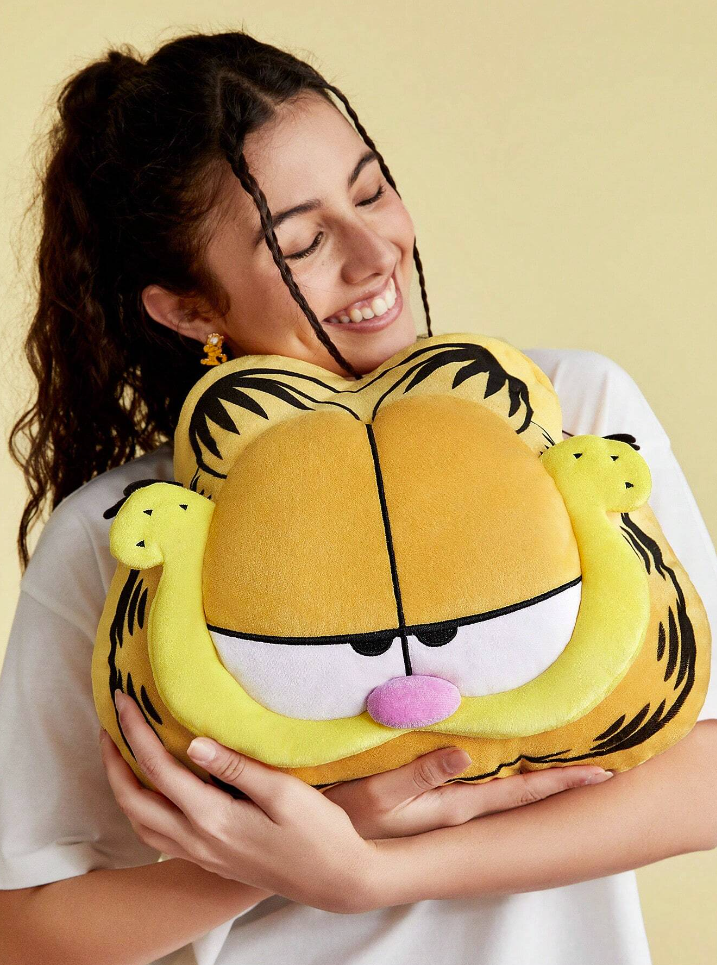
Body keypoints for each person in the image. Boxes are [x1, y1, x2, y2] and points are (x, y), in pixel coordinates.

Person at [1, 28, 716, 965]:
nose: (375, 252)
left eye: (371, 191)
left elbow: (706, 771)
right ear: (188, 308)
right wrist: (294, 846)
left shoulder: (563, 411)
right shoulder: (131, 527)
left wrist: (372, 870)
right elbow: (28, 928)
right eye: (301, 240)